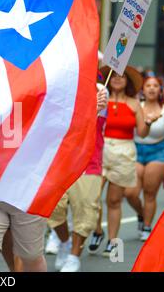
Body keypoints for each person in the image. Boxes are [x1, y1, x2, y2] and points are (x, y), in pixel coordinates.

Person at [93, 65, 159, 258]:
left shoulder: (134, 104)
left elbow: (142, 133)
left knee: (114, 200)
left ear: (127, 82)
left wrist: (147, 123)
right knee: (92, 199)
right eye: (113, 75)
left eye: (121, 76)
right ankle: (97, 231)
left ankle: (112, 242)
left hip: (124, 152)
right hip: (100, 149)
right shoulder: (100, 100)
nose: (117, 78)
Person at [48, 82, 109, 272]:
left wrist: (95, 108)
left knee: (86, 210)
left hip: (89, 161)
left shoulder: (101, 89)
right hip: (61, 160)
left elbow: (96, 119)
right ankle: (65, 243)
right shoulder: (61, 83)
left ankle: (74, 256)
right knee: (52, 208)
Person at [125, 77, 164, 241]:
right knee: (130, 193)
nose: (152, 89)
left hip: (158, 153)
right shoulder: (136, 107)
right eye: (148, 85)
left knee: (149, 193)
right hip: (135, 151)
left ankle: (146, 226)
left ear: (160, 90)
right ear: (143, 89)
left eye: (155, 86)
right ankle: (141, 214)